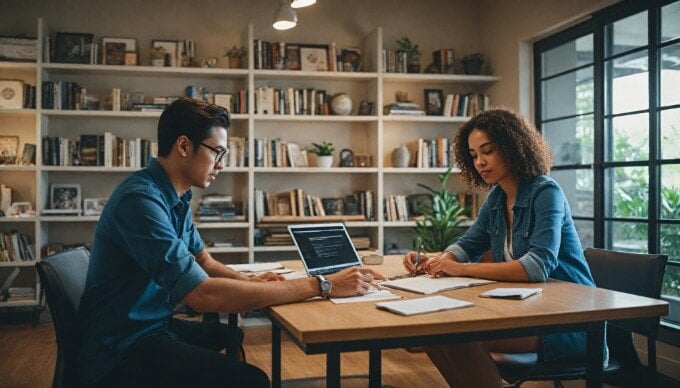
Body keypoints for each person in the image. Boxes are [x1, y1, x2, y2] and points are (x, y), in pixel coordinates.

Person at [78, 97, 385, 388]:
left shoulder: (176, 194)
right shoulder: (141, 201)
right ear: (184, 145)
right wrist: (322, 285)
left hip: (150, 325)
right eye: (218, 152)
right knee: (253, 381)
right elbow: (202, 296)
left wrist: (250, 281)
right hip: (120, 348)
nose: (222, 164)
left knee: (231, 335)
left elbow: (202, 261)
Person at [403, 108, 601, 387]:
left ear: (512, 147)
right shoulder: (497, 196)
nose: (480, 162)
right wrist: (439, 260)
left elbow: (537, 267)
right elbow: (468, 244)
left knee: (457, 335)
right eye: (473, 156)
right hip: (528, 309)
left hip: (570, 323)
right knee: (433, 333)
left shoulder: (546, 192)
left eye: (488, 151)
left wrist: (460, 268)